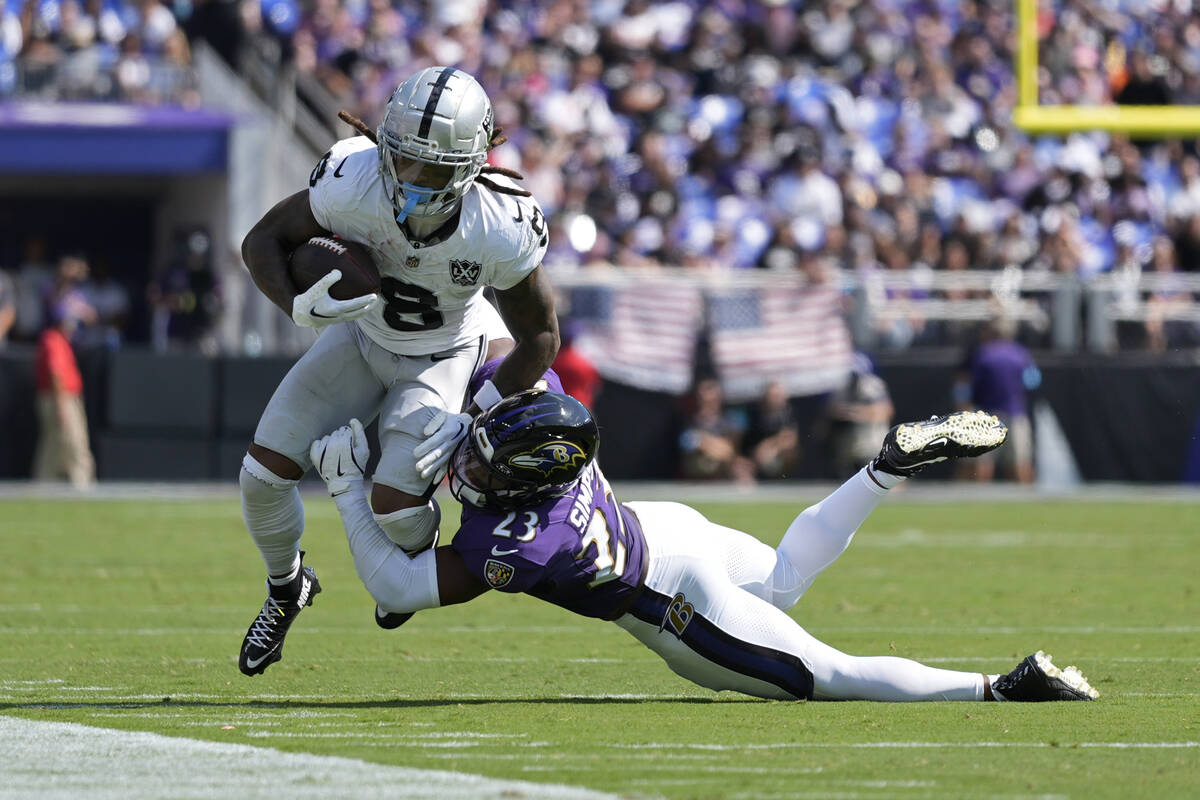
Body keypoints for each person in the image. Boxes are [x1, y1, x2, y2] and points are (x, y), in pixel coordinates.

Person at [293, 387, 1097, 703]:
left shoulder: (524, 543)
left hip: (671, 601)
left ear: (528, 482)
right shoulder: (559, 432)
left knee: (830, 678)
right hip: (670, 531)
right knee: (782, 577)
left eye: (483, 462)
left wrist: (343, 489)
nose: (467, 467)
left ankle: (1001, 687)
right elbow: (511, 389)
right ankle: (882, 472)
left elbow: (399, 589)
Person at [235, 66, 560, 676]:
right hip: (359, 341)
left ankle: (411, 570)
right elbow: (262, 242)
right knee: (260, 477)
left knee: (397, 509)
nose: (410, 181)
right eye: (403, 160)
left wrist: (474, 411)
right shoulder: (351, 179)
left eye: (431, 169)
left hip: (441, 357)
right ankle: (287, 588)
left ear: (470, 168)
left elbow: (540, 337)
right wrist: (295, 305)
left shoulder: (499, 223)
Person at [954, 318, 1037, 484]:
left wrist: (963, 405)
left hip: (986, 414)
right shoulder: (1021, 353)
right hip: (1015, 412)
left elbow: (967, 385)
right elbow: (1033, 381)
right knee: (1020, 464)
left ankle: (978, 504)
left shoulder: (982, 353)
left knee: (982, 465)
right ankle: (1026, 504)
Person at [32, 305, 96, 488]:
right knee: (73, 442)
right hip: (60, 399)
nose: (72, 328)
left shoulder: (59, 340)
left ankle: (45, 483)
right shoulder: (53, 340)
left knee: (55, 444)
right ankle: (81, 485)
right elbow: (56, 374)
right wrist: (61, 406)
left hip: (61, 399)